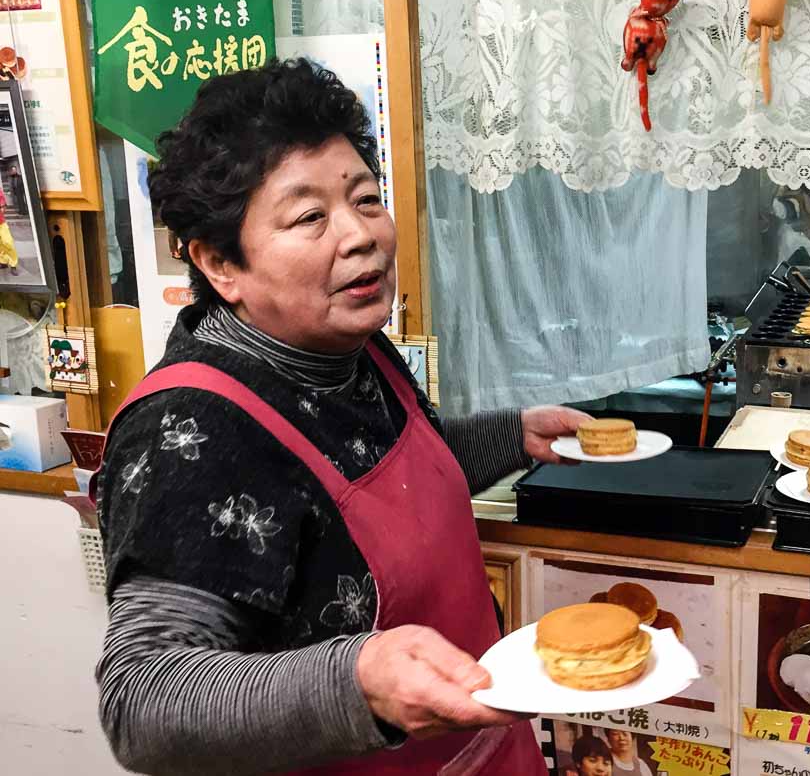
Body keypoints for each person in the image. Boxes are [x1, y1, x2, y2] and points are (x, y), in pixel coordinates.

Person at [93, 58, 592, 775]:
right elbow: (142, 698)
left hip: (490, 754)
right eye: (309, 217)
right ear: (218, 263)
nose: (360, 236)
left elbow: (383, 468)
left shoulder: (349, 345)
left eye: (364, 199)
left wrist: (513, 435)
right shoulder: (195, 430)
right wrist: (357, 679)